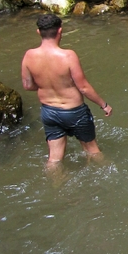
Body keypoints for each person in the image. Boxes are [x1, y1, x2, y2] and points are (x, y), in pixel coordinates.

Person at [21, 14, 112, 163]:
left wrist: (47, 84)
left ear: (38, 32)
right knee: (92, 150)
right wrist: (104, 105)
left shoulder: (29, 56)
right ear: (60, 31)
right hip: (74, 112)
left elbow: (27, 85)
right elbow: (83, 87)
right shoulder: (68, 56)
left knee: (54, 158)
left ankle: (55, 185)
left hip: (49, 111)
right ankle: (110, 179)